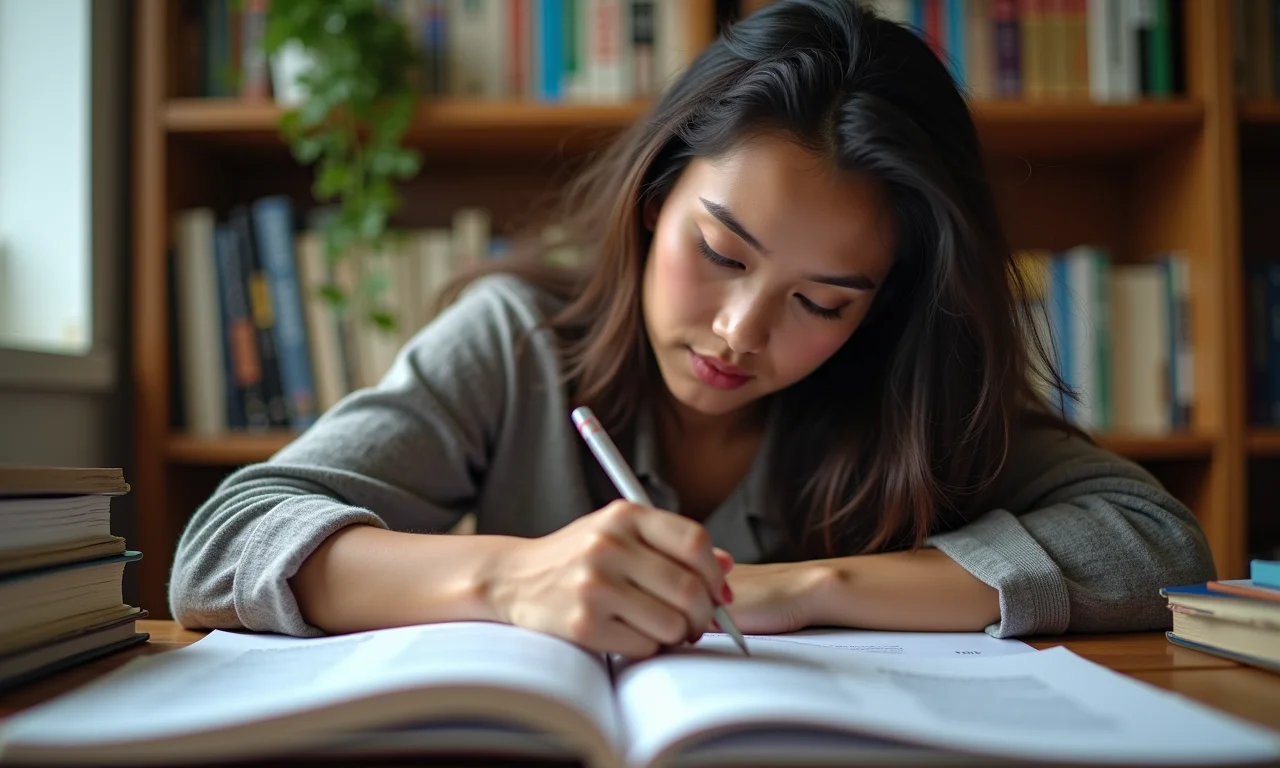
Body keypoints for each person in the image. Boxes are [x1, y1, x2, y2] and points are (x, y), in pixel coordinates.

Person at [169, 0, 1215, 657]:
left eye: (822, 302)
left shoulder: (906, 385)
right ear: (651, 200)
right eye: (720, 252)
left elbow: (1156, 545)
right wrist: (508, 579)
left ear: (883, 306)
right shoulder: (518, 342)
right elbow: (222, 546)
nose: (737, 332)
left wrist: (802, 591)